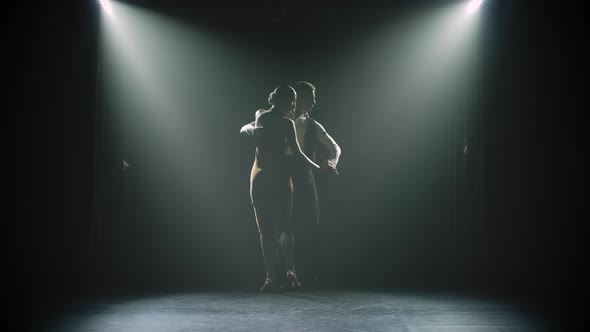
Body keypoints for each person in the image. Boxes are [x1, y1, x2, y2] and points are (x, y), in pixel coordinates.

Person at [241, 81, 341, 287]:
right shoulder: (270, 117)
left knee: (284, 226)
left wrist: (321, 167)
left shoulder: (294, 123)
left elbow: (302, 153)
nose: (295, 106)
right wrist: (251, 132)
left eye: (296, 102)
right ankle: (272, 275)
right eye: (292, 101)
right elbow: (245, 128)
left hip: (282, 175)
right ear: (284, 100)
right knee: (268, 228)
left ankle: (289, 271)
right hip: (266, 174)